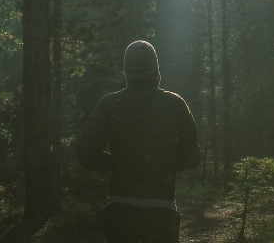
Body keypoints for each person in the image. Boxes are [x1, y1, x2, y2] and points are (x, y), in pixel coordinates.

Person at [77, 40, 200, 243]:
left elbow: (86, 153)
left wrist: (116, 163)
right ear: (156, 68)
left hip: (121, 211)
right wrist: (163, 163)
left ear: (127, 68)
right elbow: (193, 158)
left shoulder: (109, 104)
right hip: (162, 210)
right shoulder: (175, 103)